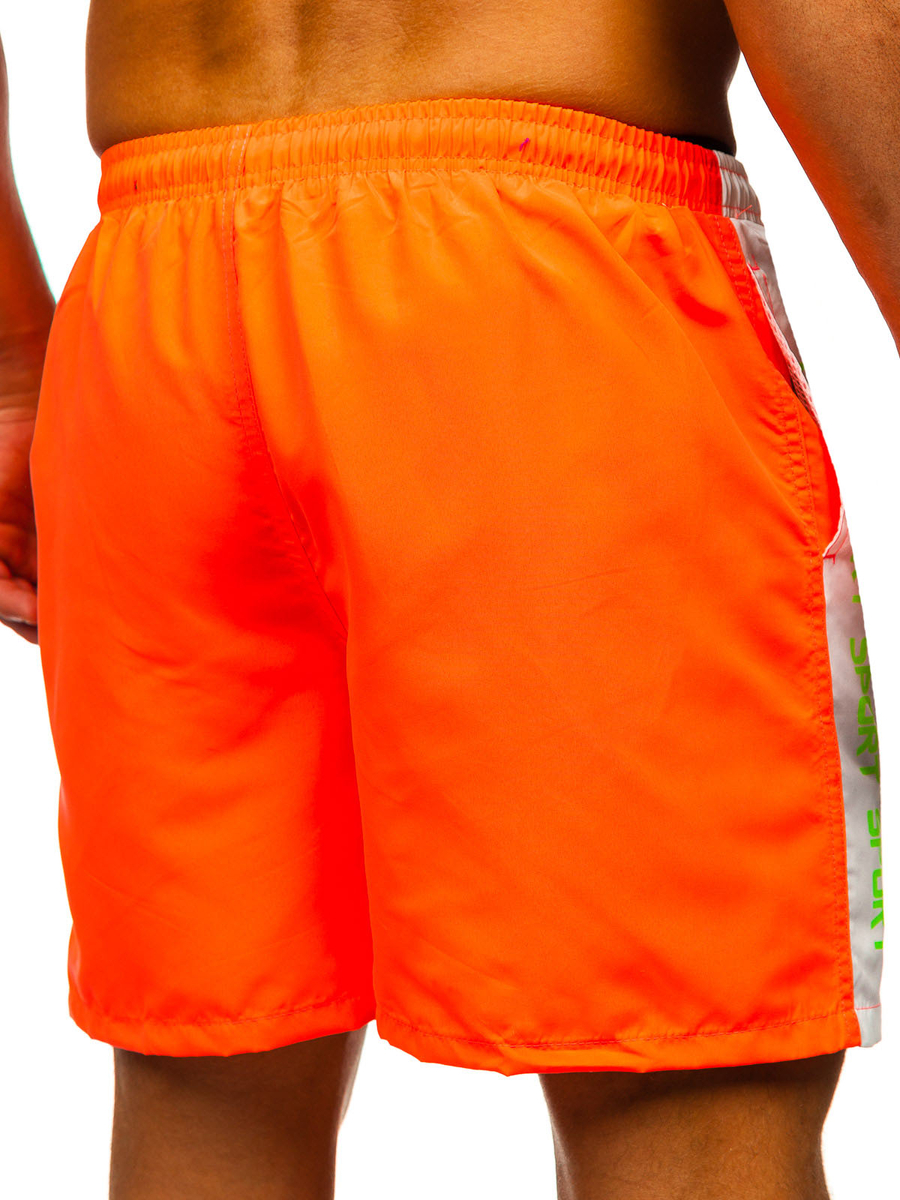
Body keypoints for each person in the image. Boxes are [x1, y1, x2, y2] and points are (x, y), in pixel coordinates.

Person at [0, 2, 892, 1197]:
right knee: (677, 1071)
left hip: (155, 301)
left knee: (210, 1078)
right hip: (537, 264)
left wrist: (11, 369)